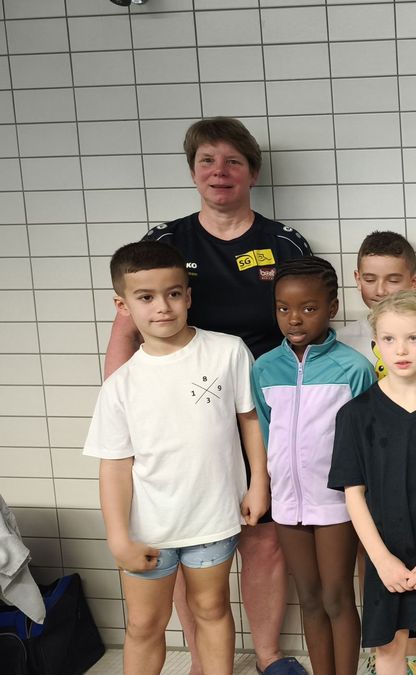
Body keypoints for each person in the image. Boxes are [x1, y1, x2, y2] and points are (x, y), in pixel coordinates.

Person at [103, 117, 311, 675]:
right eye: (207, 161)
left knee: (263, 538)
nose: (220, 172)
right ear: (193, 171)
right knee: (180, 532)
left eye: (233, 161)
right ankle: (202, 661)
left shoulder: (282, 242)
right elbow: (125, 329)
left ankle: (267, 655)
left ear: (253, 173)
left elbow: (306, 320)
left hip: (259, 408)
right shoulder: (166, 242)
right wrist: (120, 406)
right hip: (177, 413)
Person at [85, 241, 269, 675]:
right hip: (148, 529)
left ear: (187, 295)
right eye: (145, 297)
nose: (162, 307)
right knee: (144, 624)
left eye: (172, 293)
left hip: (213, 517)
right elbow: (114, 466)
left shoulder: (227, 351)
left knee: (212, 610)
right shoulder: (121, 385)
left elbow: (250, 420)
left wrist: (259, 483)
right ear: (123, 305)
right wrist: (118, 538)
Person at [329, 291, 416, 675]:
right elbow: (353, 494)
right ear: (376, 344)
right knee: (389, 643)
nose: (401, 349)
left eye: (413, 338)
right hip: (384, 553)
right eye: (389, 339)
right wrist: (380, 559)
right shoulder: (357, 414)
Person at [251, 257, 374, 675]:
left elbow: (365, 442)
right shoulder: (265, 368)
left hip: (337, 502)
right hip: (288, 503)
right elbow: (266, 433)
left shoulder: (354, 368)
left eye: (308, 308)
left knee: (338, 597)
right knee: (309, 598)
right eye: (283, 308)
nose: (294, 318)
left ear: (332, 307)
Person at [340, 230, 416, 388]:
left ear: (414, 282)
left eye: (393, 280)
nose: (380, 291)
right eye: (370, 280)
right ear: (358, 280)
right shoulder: (342, 340)